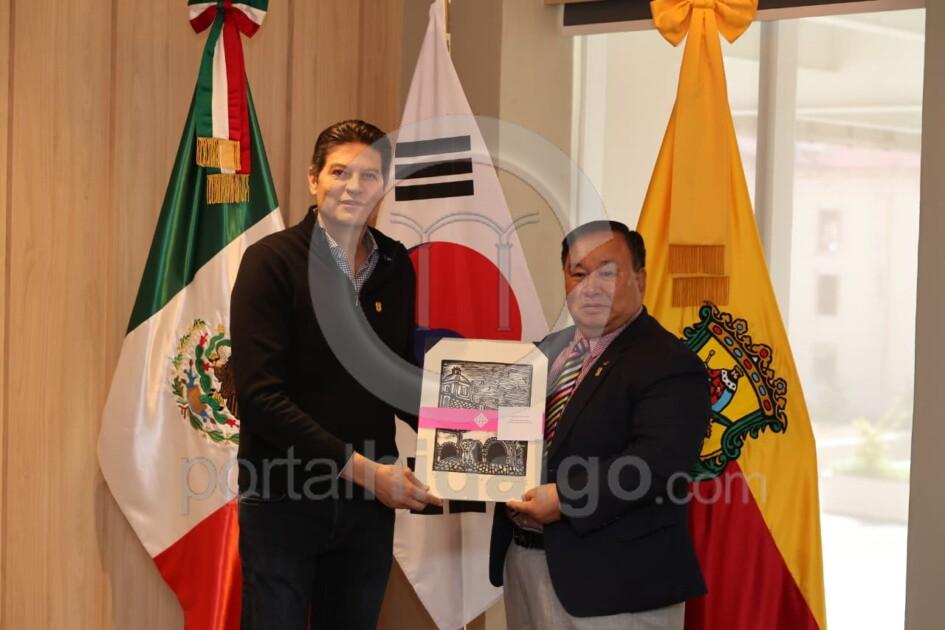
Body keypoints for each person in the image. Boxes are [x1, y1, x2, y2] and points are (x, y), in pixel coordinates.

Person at [231, 119, 442, 630]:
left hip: (366, 509)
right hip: (284, 499)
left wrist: (483, 441)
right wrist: (366, 472)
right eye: (339, 172)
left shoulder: (395, 265)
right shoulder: (270, 262)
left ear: (384, 186)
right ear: (313, 179)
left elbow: (394, 378)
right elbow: (260, 398)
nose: (353, 187)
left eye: (369, 176)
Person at [490, 221, 710, 629]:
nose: (590, 287)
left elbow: (657, 463)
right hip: (523, 562)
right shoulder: (545, 353)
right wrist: (451, 463)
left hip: (615, 586)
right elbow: (500, 435)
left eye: (607, 272)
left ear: (640, 280)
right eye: (578, 273)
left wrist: (565, 498)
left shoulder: (670, 363)